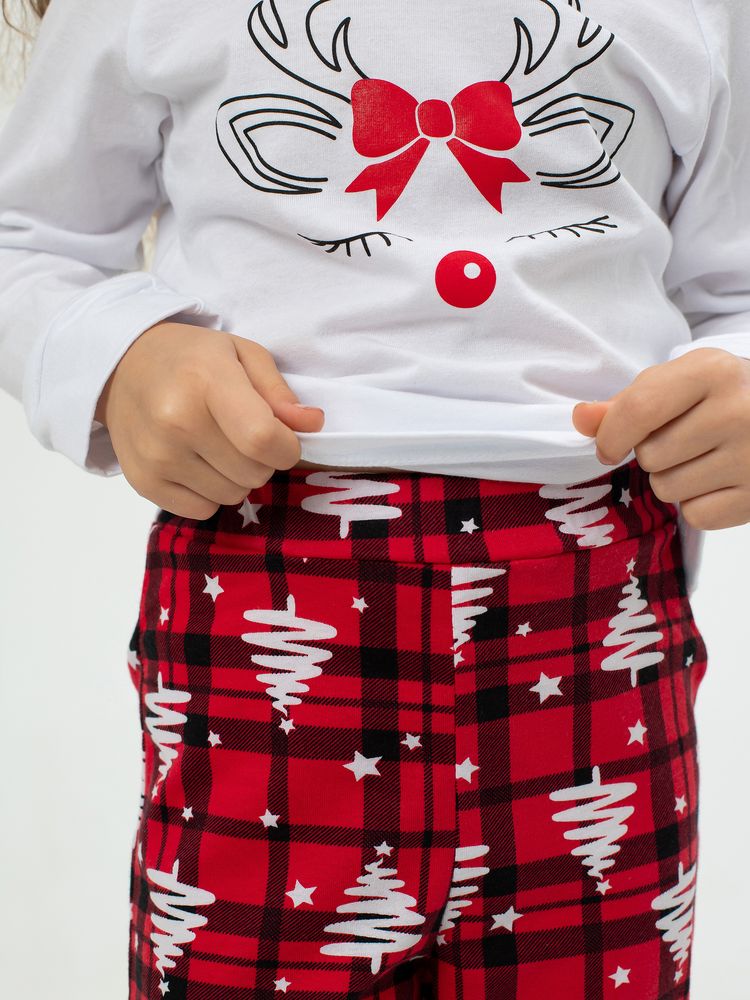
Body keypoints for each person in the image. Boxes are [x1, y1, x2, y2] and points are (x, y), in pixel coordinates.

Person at [1, 0, 748, 996]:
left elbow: (733, 279)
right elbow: (27, 237)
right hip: (269, 589)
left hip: (592, 625)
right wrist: (122, 355)